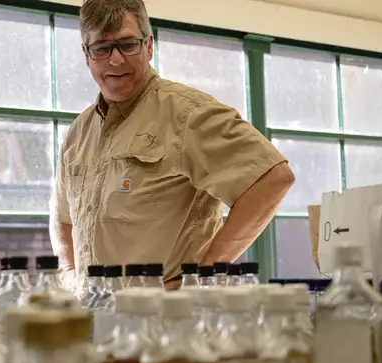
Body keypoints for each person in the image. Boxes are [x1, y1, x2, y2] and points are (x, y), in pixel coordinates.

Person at [49, 0, 295, 295]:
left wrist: (204, 274)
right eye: (101, 48)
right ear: (86, 55)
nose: (115, 60)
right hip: (95, 320)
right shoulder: (79, 132)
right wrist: (70, 276)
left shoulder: (188, 114)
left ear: (149, 45)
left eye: (127, 45)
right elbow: (62, 217)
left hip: (168, 322)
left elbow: (272, 179)